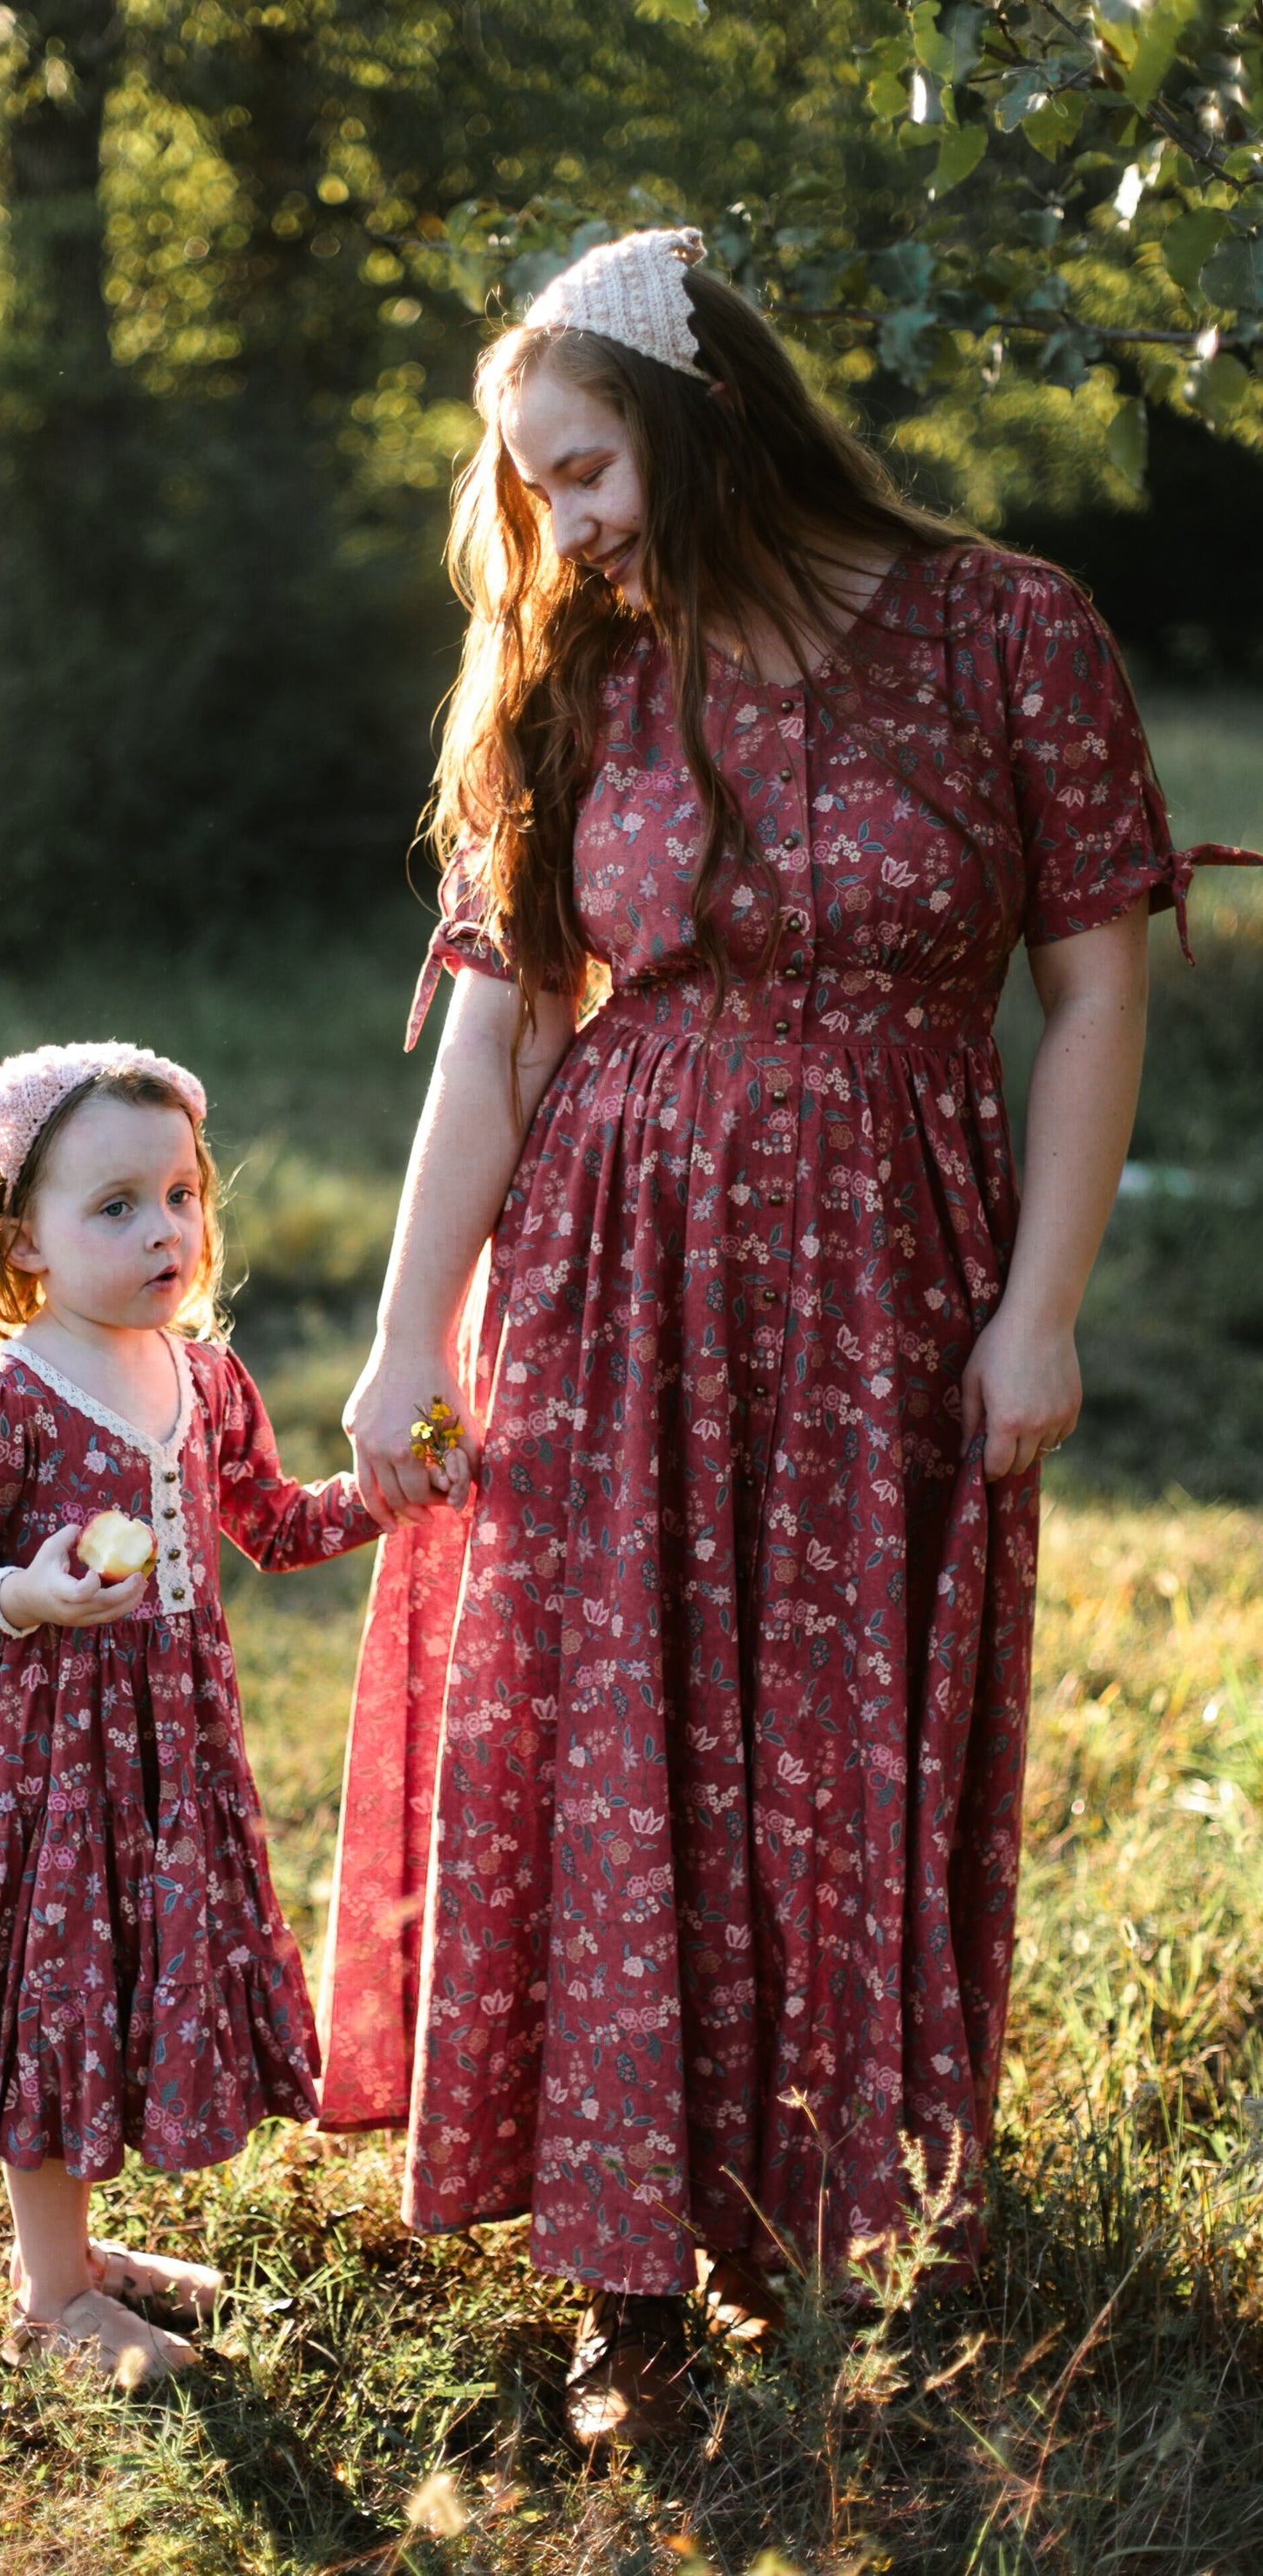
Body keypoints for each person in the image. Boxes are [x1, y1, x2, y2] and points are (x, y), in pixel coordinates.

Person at [318, 228, 1255, 2447]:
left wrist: (1042, 1312)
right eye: (530, 488)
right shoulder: (582, 673)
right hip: (614, 1270)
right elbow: (499, 1037)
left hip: (898, 1274)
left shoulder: (1008, 627)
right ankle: (625, 2280)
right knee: (617, 1738)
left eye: (586, 466)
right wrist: (397, 1346)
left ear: (705, 408)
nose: (565, 522)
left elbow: (1096, 983)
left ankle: (838, 2216)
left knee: (850, 1735)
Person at [0, 1041, 379, 2385]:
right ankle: (51, 2297)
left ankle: (81, 2261)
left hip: (171, 1751)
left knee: (127, 1978)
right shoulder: (6, 1397)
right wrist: (22, 1588)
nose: (166, 1231)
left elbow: (277, 1525)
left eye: (182, 1194)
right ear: (24, 1241)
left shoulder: (203, 1381)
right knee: (50, 1993)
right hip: (41, 1759)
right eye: (116, 1207)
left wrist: (390, 1491)